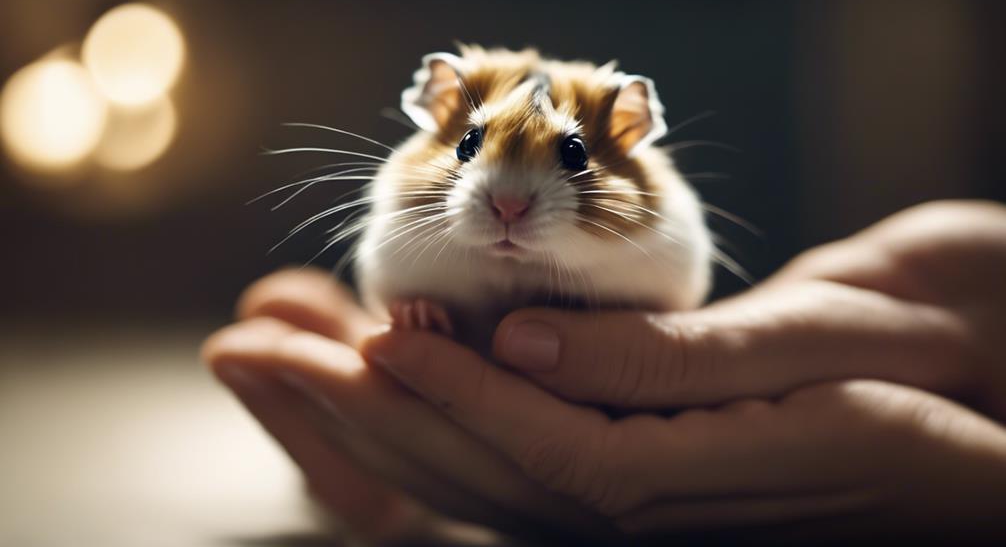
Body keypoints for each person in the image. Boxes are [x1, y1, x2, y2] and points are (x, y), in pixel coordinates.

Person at [202, 200, 1006, 544]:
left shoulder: (662, 226)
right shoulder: (411, 208)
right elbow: (388, 268)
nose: (509, 205)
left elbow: (674, 285)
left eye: (571, 157)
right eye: (479, 151)